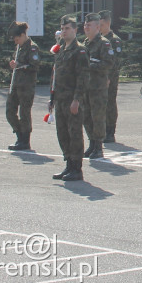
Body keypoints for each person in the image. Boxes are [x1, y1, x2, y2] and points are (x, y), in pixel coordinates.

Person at [51, 15, 89, 182]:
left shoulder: (80, 50)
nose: (64, 31)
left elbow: (83, 78)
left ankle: (77, 168)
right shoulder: (60, 50)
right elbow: (55, 76)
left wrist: (77, 100)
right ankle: (68, 164)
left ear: (75, 30)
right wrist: (52, 99)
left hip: (72, 99)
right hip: (60, 99)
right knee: (62, 132)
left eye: (68, 28)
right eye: (63, 28)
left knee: (74, 134)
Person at [81, 13, 112, 160]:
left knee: (97, 117)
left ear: (98, 27)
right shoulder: (85, 43)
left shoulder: (104, 43)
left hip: (98, 87)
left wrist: (92, 64)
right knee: (86, 116)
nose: (86, 27)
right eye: (85, 25)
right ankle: (92, 143)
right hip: (86, 86)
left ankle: (99, 146)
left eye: (89, 25)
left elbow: (108, 63)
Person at [6, 21, 40, 152]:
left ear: (22, 35)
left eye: (16, 39)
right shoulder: (19, 47)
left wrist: (18, 65)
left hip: (26, 86)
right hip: (15, 84)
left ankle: (25, 140)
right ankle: (19, 134)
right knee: (10, 111)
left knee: (24, 113)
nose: (16, 42)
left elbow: (34, 66)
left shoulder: (32, 47)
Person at [98, 10, 124, 143]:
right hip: (98, 78)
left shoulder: (114, 40)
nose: (99, 27)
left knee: (110, 104)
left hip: (110, 79)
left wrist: (108, 78)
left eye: (101, 24)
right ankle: (100, 130)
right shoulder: (97, 39)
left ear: (107, 23)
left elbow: (116, 62)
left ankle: (110, 131)